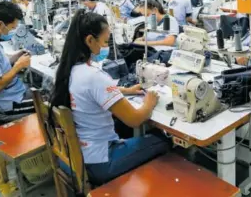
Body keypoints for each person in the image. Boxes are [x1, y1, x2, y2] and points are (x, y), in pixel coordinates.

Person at [49, 10, 169, 185]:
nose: (106, 47)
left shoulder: (66, 70)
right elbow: (135, 120)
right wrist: (149, 103)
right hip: (99, 162)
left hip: (71, 158)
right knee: (163, 140)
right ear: (90, 40)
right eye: (105, 42)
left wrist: (124, 90)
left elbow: (86, 94)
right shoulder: (95, 76)